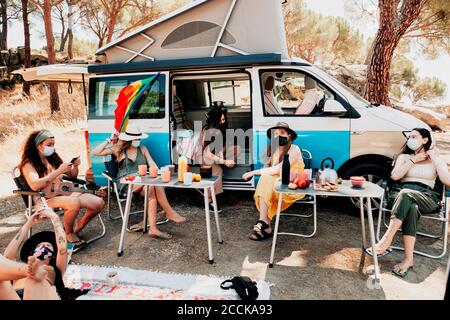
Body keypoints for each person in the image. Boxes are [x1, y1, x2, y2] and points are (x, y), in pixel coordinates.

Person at [369, 128, 450, 278]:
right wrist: (413, 160)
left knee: (408, 197)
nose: (410, 139)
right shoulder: (404, 157)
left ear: (425, 140)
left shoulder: (435, 158)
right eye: (409, 137)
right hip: (401, 194)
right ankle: (408, 260)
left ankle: (386, 240)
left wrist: (437, 160)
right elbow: (395, 176)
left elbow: (447, 181)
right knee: (410, 205)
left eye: (414, 136)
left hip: (427, 197)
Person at [92, 125, 186, 240]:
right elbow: (95, 152)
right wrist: (109, 140)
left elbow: (152, 164)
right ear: (129, 139)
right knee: (152, 185)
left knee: (151, 189)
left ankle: (153, 229)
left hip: (144, 181)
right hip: (127, 183)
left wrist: (156, 171)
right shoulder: (119, 150)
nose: (138, 141)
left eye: (139, 138)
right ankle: (169, 212)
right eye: (136, 139)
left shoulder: (143, 148)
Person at [20, 130, 105, 249]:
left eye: (53, 145)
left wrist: (75, 166)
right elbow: (34, 185)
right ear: (38, 145)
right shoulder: (28, 164)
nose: (52, 148)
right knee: (73, 202)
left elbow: (73, 176)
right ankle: (68, 233)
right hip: (45, 199)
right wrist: (58, 171)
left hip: (62, 193)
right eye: (49, 145)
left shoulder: (52, 158)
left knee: (99, 203)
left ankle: (77, 227)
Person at [1, 208, 89, 300]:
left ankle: (35, 274)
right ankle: (32, 272)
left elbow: (62, 248)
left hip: (38, 294)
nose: (43, 246)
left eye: (48, 245)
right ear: (32, 252)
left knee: (33, 280)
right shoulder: (17, 269)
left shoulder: (55, 269)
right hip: (15, 295)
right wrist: (28, 223)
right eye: (40, 245)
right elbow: (7, 255)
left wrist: (56, 220)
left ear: (53, 255)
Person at [242, 122, 305, 240]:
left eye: (282, 133)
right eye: (276, 134)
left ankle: (264, 224)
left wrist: (252, 172)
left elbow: (278, 169)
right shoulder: (274, 149)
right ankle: (265, 224)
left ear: (289, 135)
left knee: (266, 181)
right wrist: (268, 161)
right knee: (265, 180)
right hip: (277, 184)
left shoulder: (295, 149)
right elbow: (269, 170)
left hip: (291, 186)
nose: (279, 135)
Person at [200, 106, 239, 213]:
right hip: (206, 157)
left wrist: (222, 157)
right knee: (218, 171)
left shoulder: (221, 128)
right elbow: (206, 153)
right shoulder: (208, 130)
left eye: (224, 119)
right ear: (215, 120)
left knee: (236, 148)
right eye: (221, 120)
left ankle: (226, 164)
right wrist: (224, 161)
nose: (223, 122)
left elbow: (223, 144)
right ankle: (209, 202)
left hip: (216, 153)